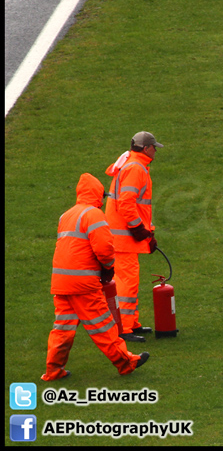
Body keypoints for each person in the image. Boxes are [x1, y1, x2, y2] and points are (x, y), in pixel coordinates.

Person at [42, 173, 149, 381]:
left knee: (62, 328)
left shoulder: (67, 215)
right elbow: (105, 248)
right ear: (98, 195)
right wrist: (108, 268)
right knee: (104, 326)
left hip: (61, 283)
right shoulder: (94, 215)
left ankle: (53, 371)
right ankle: (127, 362)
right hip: (84, 283)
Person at [105, 131, 163, 342]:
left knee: (130, 280)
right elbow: (127, 203)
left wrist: (149, 232)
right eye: (154, 147)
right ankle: (124, 328)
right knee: (126, 282)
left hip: (123, 236)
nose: (156, 150)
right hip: (124, 238)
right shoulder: (136, 169)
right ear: (146, 148)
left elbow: (138, 206)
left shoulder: (131, 164)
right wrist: (138, 229)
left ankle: (132, 323)